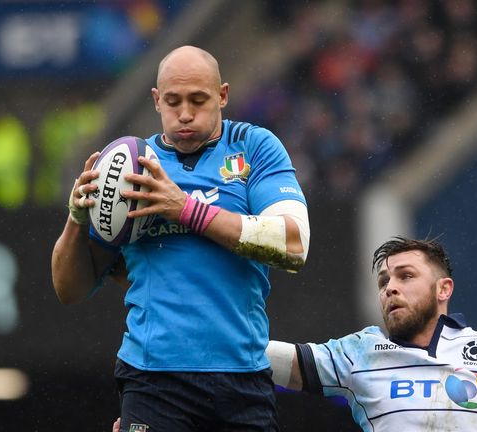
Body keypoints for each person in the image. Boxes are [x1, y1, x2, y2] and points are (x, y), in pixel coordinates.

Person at [52, 45, 310, 431]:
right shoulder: (131, 169)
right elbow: (69, 289)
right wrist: (76, 218)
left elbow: (293, 245)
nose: (185, 113)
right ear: (157, 100)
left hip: (242, 377)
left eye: (198, 100)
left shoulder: (254, 147)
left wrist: (185, 209)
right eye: (173, 101)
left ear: (222, 95)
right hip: (152, 380)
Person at [265, 237, 477, 431]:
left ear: (443, 289)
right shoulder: (358, 353)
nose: (390, 288)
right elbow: (268, 358)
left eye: (406, 276)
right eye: (384, 282)